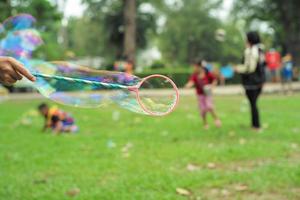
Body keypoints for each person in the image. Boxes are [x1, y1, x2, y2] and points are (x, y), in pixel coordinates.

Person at [235, 31, 265, 131]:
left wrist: (237, 69)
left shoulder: (251, 51)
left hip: (252, 82)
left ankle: (256, 125)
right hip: (259, 81)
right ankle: (254, 124)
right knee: (253, 103)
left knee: (253, 104)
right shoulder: (260, 50)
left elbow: (249, 68)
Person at [185, 61, 221, 129]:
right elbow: (191, 82)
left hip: (208, 94)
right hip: (200, 95)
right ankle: (205, 124)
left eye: (195, 67)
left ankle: (216, 119)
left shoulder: (207, 73)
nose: (194, 68)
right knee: (203, 110)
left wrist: (212, 86)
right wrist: (188, 85)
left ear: (199, 67)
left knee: (210, 107)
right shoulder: (194, 75)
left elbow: (214, 80)